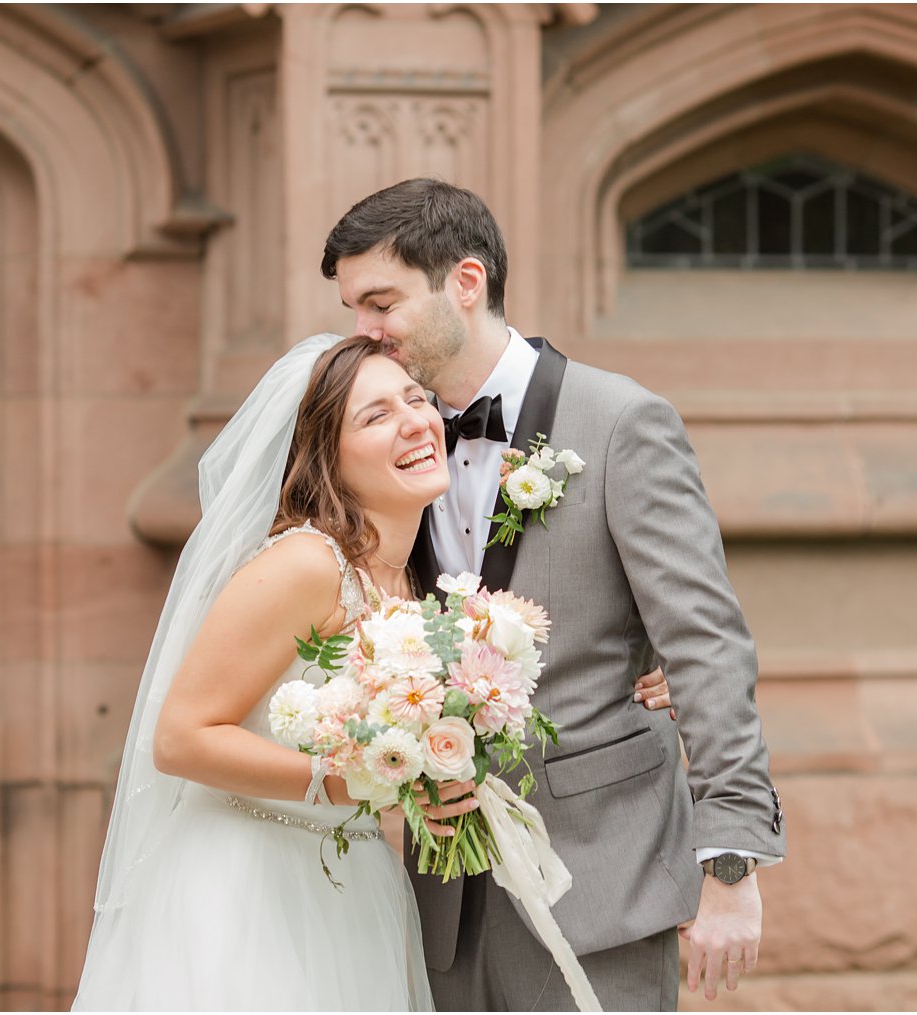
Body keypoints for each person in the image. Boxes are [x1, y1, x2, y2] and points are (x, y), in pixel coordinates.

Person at [72, 334, 673, 1010]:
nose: (416, 421)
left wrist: (651, 672)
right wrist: (343, 781)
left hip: (357, 885)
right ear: (326, 453)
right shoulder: (304, 564)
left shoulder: (418, 580)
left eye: (416, 400)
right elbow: (180, 737)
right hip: (251, 886)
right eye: (376, 414)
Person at [323, 178, 786, 1011]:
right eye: (355, 307)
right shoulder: (385, 443)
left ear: (465, 283)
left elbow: (705, 645)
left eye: (381, 301)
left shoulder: (620, 423)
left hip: (600, 881)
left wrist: (730, 863)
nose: (365, 331)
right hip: (440, 892)